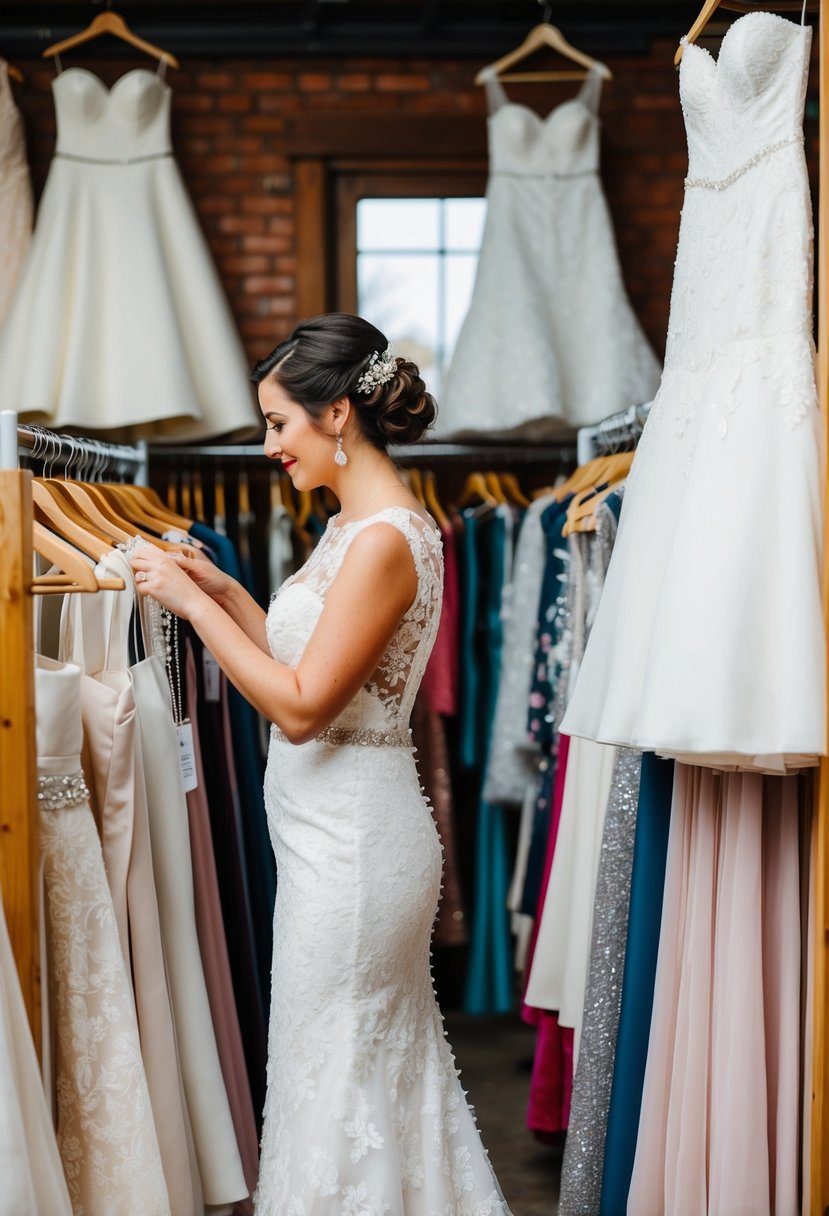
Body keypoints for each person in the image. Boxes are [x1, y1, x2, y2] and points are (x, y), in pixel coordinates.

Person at [130, 313, 512, 1215]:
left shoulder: (385, 540)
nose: (269, 447)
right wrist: (226, 592)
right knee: (342, 1074)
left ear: (337, 413)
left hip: (354, 852)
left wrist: (191, 601)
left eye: (278, 423)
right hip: (328, 842)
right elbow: (318, 673)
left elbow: (300, 711)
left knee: (336, 1078)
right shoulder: (353, 528)